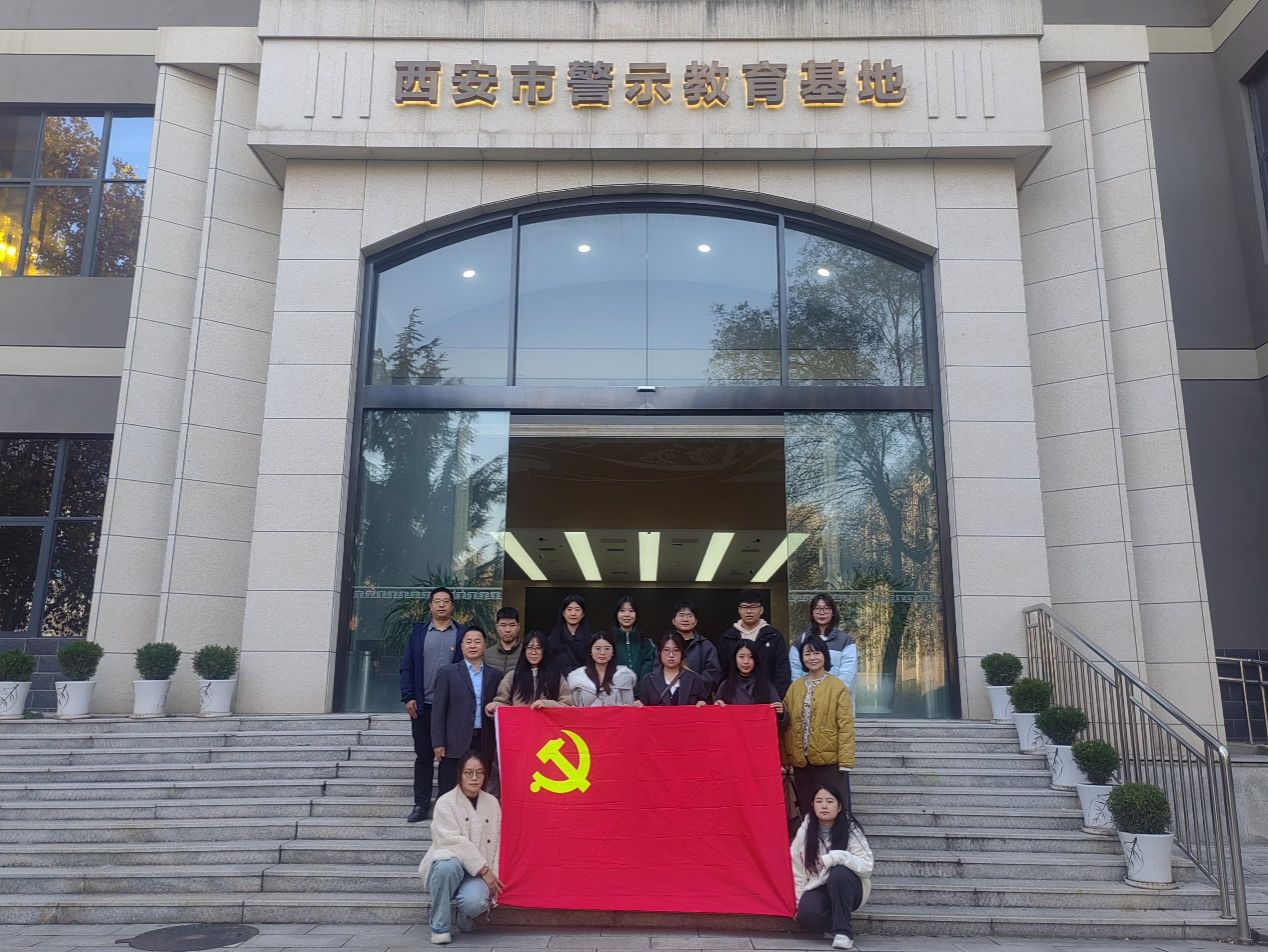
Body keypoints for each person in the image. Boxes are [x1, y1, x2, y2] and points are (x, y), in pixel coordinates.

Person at [419, 750, 503, 946]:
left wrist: (493, 875)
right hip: (452, 868)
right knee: (446, 865)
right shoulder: (445, 802)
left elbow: (497, 842)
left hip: (478, 874)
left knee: (475, 902)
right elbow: (452, 840)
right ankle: (440, 925)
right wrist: (483, 869)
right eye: (468, 773)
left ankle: (465, 913)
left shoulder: (492, 803)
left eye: (479, 773)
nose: (474, 778)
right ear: (460, 774)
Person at [399, 587, 466, 823]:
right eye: (437, 601)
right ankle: (420, 804)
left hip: (452, 708)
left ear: (452, 606)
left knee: (450, 758)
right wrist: (408, 696)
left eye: (446, 601)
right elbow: (407, 667)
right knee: (424, 756)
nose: (441, 605)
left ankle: (445, 806)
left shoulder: (462, 634)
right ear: (430, 606)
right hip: (423, 705)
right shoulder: (418, 634)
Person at [790, 783, 873, 950]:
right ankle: (833, 925)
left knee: (839, 873)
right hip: (819, 884)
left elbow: (867, 866)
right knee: (806, 914)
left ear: (839, 806)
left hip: (850, 887)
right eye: (819, 801)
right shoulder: (806, 829)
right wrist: (799, 902)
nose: (824, 806)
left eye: (829, 801)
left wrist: (838, 857)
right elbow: (797, 868)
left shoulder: (850, 828)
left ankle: (843, 932)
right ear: (813, 805)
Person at [783, 632, 856, 815]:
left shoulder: (837, 686)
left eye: (817, 653)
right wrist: (786, 758)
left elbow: (846, 726)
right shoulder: (795, 687)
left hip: (830, 763)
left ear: (825, 655)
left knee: (833, 809)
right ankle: (809, 835)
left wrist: (845, 760)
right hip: (802, 762)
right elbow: (787, 724)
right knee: (807, 809)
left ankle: (837, 835)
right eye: (807, 654)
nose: (812, 658)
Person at [431, 627, 501, 800]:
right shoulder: (448, 673)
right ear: (461, 646)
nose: (473, 645)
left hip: (484, 739)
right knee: (449, 788)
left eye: (477, 641)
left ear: (485, 646)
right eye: (468, 642)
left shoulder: (495, 675)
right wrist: (438, 742)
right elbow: (438, 711)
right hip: (454, 741)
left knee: (481, 786)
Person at [720, 589, 792, 699]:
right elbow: (723, 670)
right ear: (739, 610)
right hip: (735, 698)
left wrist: (776, 698)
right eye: (744, 607)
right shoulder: (728, 637)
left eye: (753, 607)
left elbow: (782, 671)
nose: (749, 611)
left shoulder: (774, 636)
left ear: (761, 610)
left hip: (767, 697)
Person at [789, 593, 858, 704]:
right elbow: (795, 673)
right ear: (812, 612)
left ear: (833, 612)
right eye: (817, 609)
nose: (821, 612)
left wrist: (829, 696)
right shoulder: (801, 641)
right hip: (807, 701)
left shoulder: (845, 640)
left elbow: (848, 676)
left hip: (836, 701)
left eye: (826, 608)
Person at [486, 630, 573, 711]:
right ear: (524, 650)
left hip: (545, 722)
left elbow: (568, 706)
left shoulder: (556, 676)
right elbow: (502, 702)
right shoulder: (512, 676)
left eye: (538, 648)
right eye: (530, 647)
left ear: (544, 650)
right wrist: (494, 706)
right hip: (520, 722)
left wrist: (547, 704)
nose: (533, 652)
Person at [715, 641, 787, 727]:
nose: (746, 661)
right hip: (732, 734)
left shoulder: (766, 686)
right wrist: (715, 708)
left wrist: (781, 713)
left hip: (759, 733)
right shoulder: (725, 686)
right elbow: (714, 721)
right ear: (734, 659)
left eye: (751, 657)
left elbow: (781, 724)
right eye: (741, 657)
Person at [636, 632, 710, 707]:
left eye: (676, 650)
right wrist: (638, 705)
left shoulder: (695, 679)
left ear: (682, 653)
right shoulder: (649, 680)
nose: (671, 655)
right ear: (659, 653)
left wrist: (703, 704)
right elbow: (643, 707)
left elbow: (704, 702)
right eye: (666, 650)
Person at [664, 599, 720, 693]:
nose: (685, 619)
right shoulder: (665, 644)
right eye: (681, 615)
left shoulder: (706, 646)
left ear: (696, 621)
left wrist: (692, 689)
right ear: (673, 621)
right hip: (668, 696)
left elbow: (713, 674)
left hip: (697, 698)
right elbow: (657, 671)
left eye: (690, 616)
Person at [567, 632, 637, 706]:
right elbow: (575, 707)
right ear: (590, 651)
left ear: (613, 652)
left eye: (607, 648)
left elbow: (629, 706)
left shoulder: (624, 677)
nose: (602, 652)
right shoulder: (577, 678)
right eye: (598, 648)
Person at [608, 594, 655, 684]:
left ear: (636, 614)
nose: (626, 615)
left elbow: (650, 664)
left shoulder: (646, 641)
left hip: (642, 690)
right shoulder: (608, 640)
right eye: (622, 611)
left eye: (631, 611)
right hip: (614, 688)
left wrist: (641, 687)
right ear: (616, 614)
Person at [548, 594, 591, 674]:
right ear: (563, 613)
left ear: (583, 614)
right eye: (569, 609)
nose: (573, 613)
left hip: (583, 681)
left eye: (577, 610)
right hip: (560, 680)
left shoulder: (591, 639)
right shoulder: (553, 639)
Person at [484, 607, 523, 677]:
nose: (508, 630)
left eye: (512, 625)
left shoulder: (525, 653)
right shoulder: (487, 654)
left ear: (518, 627)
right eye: (503, 625)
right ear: (497, 627)